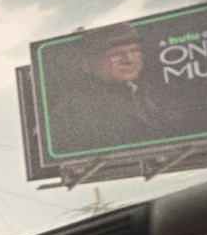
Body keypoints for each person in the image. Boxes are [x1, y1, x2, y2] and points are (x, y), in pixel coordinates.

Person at [49, 22, 169, 155]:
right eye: (116, 54)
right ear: (88, 64)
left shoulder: (141, 92)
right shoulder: (78, 106)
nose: (129, 59)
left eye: (134, 50)